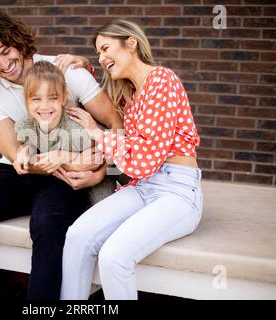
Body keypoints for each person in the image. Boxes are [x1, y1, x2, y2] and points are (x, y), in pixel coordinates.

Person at [0, 11, 123, 300]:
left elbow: (116, 125)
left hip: (62, 180)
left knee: (49, 228)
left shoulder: (67, 71)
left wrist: (98, 168)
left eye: (5, 51)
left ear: (18, 43)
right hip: (19, 172)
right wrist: (73, 160)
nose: (3, 64)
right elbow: (15, 154)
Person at [60, 19, 203, 300]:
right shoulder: (133, 95)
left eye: (105, 49)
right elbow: (114, 106)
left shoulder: (163, 80)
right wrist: (86, 68)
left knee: (114, 256)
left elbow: (144, 159)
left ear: (132, 43)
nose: (102, 59)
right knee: (77, 236)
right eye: (98, 54)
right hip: (142, 187)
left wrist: (96, 133)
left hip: (177, 192)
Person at [14, 60, 116, 204]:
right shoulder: (25, 125)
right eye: (36, 99)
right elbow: (30, 141)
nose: (44, 106)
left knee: (104, 208)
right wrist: (25, 151)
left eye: (53, 98)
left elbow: (101, 156)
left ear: (63, 98)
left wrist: (64, 156)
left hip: (99, 178)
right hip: (66, 181)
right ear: (26, 100)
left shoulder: (75, 129)